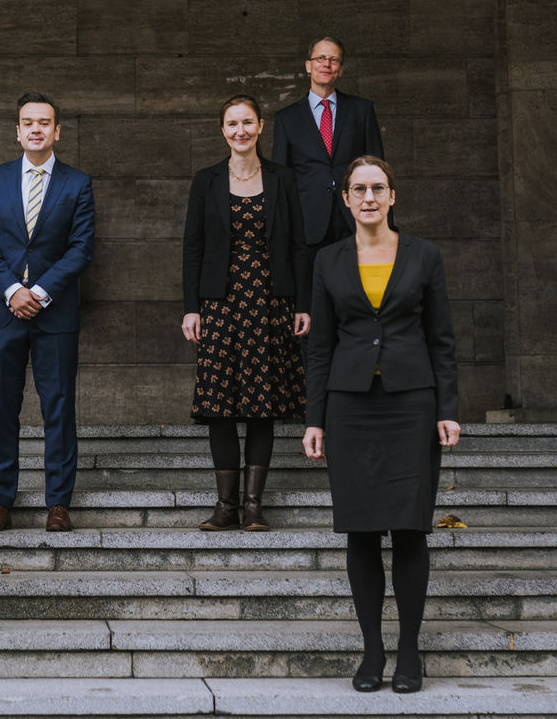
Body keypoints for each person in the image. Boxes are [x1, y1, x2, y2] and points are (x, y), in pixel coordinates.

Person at [302, 155, 461, 695]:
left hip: (411, 405)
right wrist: (314, 418)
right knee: (362, 529)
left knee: (411, 527)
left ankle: (410, 651)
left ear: (393, 195)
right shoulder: (327, 261)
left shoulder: (425, 255)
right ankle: (372, 649)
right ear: (345, 199)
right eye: (358, 189)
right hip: (349, 407)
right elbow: (320, 345)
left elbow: (441, 339)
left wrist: (448, 408)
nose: (368, 197)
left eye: (378, 188)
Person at [181, 94, 311, 532]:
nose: (240, 130)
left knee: (261, 404)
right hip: (219, 303)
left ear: (260, 128)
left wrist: (303, 303)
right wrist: (191, 309)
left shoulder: (281, 178)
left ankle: (253, 507)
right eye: (232, 124)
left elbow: (297, 244)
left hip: (271, 302)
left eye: (247, 123)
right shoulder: (206, 180)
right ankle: (225, 507)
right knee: (219, 405)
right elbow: (193, 249)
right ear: (223, 130)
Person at [0, 91, 95, 533]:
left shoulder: (77, 183)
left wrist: (40, 291)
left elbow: (81, 248)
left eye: (45, 122)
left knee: (58, 407)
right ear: (18, 131)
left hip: (55, 313)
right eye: (28, 122)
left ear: (57, 131)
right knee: (2, 408)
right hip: (2, 311)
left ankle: (58, 503)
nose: (37, 129)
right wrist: (11, 290)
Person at [272, 36, 384, 257]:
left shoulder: (361, 110)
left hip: (355, 220)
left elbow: (378, 171)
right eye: (320, 58)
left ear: (341, 69)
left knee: (354, 291)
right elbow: (280, 178)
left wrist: (382, 225)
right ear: (308, 65)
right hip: (306, 225)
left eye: (333, 60)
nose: (326, 64)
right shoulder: (287, 118)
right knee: (311, 291)